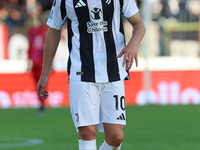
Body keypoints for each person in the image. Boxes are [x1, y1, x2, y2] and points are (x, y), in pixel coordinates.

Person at [37, 0, 145, 149]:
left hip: (113, 70)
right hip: (82, 72)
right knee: (87, 133)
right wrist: (44, 73)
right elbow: (54, 31)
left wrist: (133, 44)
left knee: (116, 137)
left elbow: (139, 24)